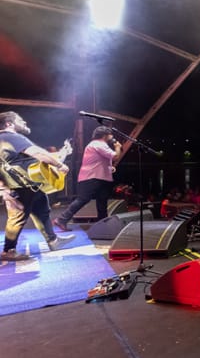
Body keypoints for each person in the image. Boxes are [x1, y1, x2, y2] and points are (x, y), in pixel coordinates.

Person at [0, 111, 75, 260]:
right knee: (17, 217)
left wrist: (63, 152)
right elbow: (37, 153)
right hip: (20, 186)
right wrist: (60, 164)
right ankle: (8, 251)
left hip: (25, 186)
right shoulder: (11, 137)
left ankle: (53, 240)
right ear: (9, 124)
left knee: (42, 209)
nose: (25, 123)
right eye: (20, 120)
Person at [53, 126, 122, 231]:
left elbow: (98, 160)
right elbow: (115, 156)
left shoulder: (97, 144)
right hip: (92, 177)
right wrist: (117, 147)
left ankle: (103, 225)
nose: (112, 137)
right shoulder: (99, 144)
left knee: (102, 202)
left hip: (99, 177)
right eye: (110, 134)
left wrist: (109, 167)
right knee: (83, 199)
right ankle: (62, 219)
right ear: (105, 135)